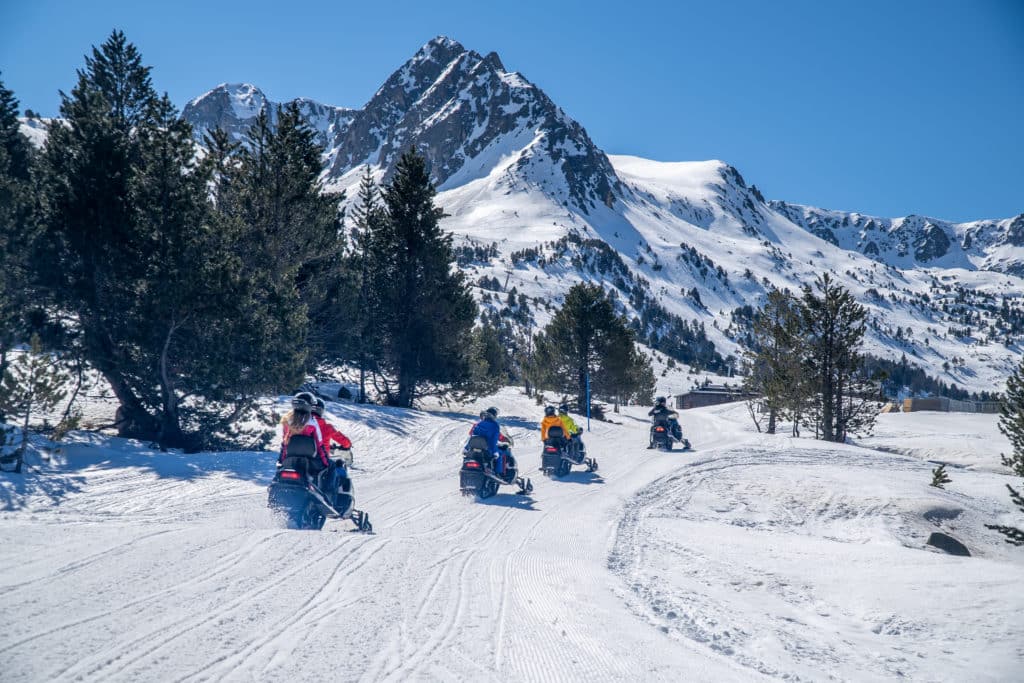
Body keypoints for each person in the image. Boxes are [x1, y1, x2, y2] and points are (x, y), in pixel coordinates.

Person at [279, 392, 338, 501]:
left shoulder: (287, 421)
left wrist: (281, 461)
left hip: (291, 459)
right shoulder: (312, 423)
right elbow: (320, 445)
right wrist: (326, 463)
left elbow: (284, 444)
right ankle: (329, 496)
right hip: (311, 461)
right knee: (332, 466)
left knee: (281, 470)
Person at [468, 406, 504, 474]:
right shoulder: (495, 425)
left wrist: (466, 448)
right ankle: (499, 473)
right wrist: (495, 451)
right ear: (494, 415)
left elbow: (472, 436)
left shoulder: (479, 423)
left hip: (475, 448)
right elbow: (493, 440)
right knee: (500, 454)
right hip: (487, 449)